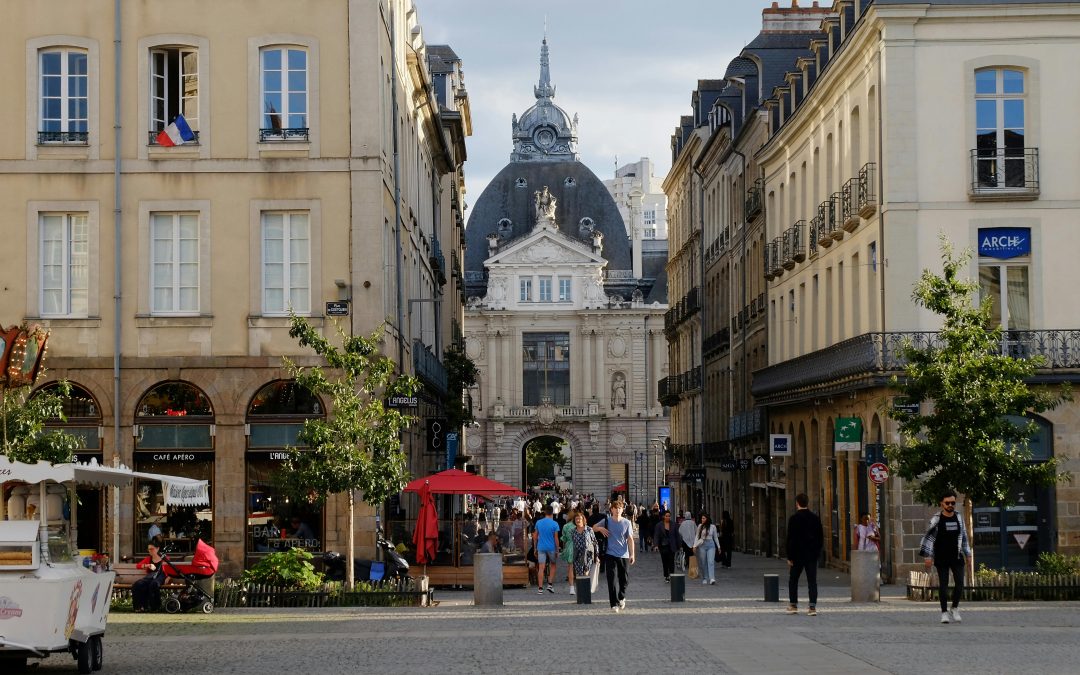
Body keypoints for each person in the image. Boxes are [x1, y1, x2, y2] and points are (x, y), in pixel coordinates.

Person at [919, 489, 972, 624]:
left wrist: (968, 554)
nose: (950, 505)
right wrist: (928, 556)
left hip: (957, 556)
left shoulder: (959, 517)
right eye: (947, 503)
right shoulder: (936, 519)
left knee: (960, 584)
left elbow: (964, 537)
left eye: (953, 503)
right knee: (943, 585)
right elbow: (929, 538)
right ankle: (944, 613)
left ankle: (954, 608)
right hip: (941, 557)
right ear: (941, 503)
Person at [593, 500, 636, 612]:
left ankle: (621, 596)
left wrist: (632, 554)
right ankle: (613, 603)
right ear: (611, 509)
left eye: (620, 508)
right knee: (611, 579)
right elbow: (593, 527)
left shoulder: (627, 523)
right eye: (615, 508)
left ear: (622, 510)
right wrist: (600, 528)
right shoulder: (606, 521)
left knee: (624, 579)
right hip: (610, 553)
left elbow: (630, 539)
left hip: (624, 554)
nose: (618, 510)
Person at [786, 493, 824, 616]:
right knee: (812, 581)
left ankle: (793, 605)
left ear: (797, 503)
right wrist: (817, 553)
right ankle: (812, 607)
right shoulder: (815, 518)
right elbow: (820, 538)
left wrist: (790, 557)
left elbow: (790, 539)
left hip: (797, 556)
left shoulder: (794, 519)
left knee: (793, 580)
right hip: (811, 556)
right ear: (807, 503)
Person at [132, 541, 167, 612]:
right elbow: (138, 566)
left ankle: (155, 607)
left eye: (152, 549)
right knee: (137, 584)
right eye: (149, 549)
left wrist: (168, 578)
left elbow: (170, 569)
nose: (150, 551)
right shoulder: (148, 558)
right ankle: (139, 607)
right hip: (150, 577)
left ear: (157, 549)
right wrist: (147, 565)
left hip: (160, 577)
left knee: (153, 584)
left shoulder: (164, 558)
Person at [533, 505, 561, 594]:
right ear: (552, 513)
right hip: (551, 547)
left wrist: (535, 548)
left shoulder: (538, 522)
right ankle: (550, 584)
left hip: (541, 547)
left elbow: (535, 536)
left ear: (545, 512)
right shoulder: (555, 524)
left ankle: (540, 588)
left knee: (541, 567)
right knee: (553, 564)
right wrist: (557, 549)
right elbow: (556, 538)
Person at [570, 511, 599, 594]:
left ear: (583, 519)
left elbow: (595, 542)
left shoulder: (589, 529)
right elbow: (572, 543)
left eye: (579, 518)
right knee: (579, 574)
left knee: (586, 572)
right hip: (577, 555)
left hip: (588, 555)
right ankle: (580, 591)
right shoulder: (573, 531)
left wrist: (596, 556)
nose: (578, 520)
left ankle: (585, 592)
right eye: (576, 519)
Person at [652, 510, 680, 581]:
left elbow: (677, 535)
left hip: (672, 546)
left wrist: (679, 545)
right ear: (663, 516)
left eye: (669, 516)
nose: (668, 517)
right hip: (663, 546)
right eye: (666, 516)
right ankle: (666, 575)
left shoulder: (674, 524)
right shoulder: (659, 525)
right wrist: (656, 545)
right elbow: (656, 536)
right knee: (665, 562)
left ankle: (672, 575)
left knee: (671, 561)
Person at [693, 513, 719, 585]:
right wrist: (694, 546)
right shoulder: (700, 526)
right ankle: (705, 578)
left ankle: (712, 578)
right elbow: (697, 536)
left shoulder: (713, 527)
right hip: (702, 545)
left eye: (704, 518)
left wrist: (718, 546)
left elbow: (715, 537)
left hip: (711, 545)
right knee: (703, 562)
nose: (702, 519)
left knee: (711, 562)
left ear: (707, 519)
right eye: (702, 518)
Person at [560, 508, 578, 594]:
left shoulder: (566, 526)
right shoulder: (580, 524)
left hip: (570, 546)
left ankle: (571, 588)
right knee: (580, 568)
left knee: (570, 567)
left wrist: (564, 549)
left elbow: (564, 539)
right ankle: (581, 585)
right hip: (579, 546)